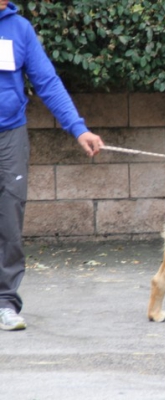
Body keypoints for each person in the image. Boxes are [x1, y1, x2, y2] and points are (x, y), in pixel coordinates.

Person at [0, 0, 103, 331]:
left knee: (9, 217)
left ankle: (4, 302)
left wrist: (78, 128)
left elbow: (47, 81)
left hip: (10, 136)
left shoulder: (20, 29)